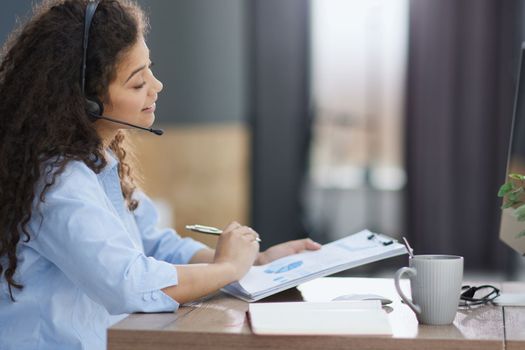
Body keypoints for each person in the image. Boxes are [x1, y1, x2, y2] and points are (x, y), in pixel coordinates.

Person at [0, 1, 321, 349]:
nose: (157, 86)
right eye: (138, 83)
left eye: (149, 70)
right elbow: (129, 283)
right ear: (86, 101)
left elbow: (153, 244)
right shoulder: (58, 183)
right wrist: (227, 269)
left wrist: (251, 264)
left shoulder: (98, 161)